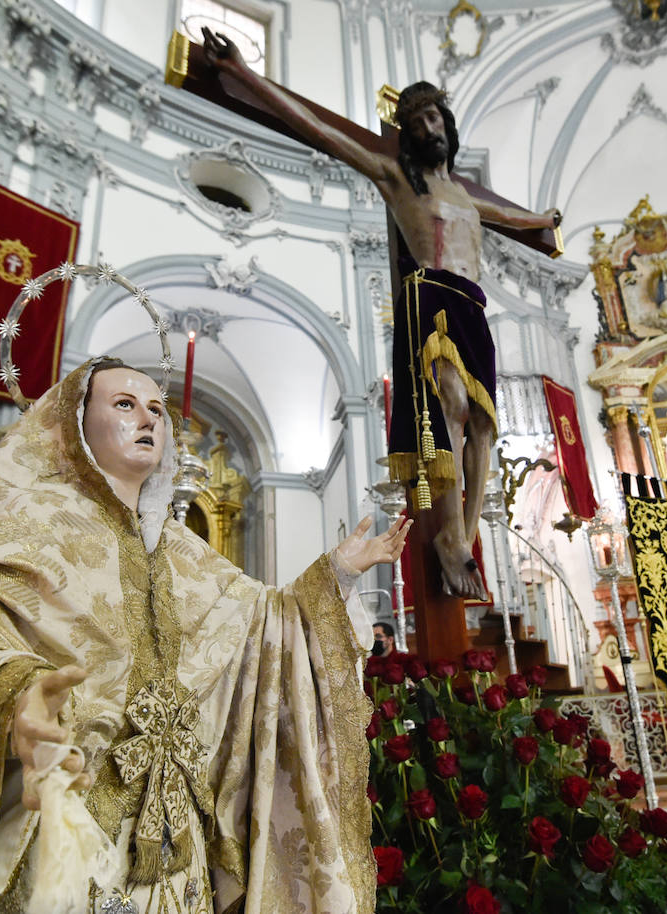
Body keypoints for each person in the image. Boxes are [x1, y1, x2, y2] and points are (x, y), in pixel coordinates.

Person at [0, 359, 410, 914]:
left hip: (174, 841)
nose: (149, 417)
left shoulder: (178, 547)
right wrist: (8, 695)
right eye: (124, 404)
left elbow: (263, 629)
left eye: (156, 409)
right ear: (75, 427)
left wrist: (336, 576)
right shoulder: (31, 520)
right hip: (61, 827)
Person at [201, 29, 558, 599]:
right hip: (433, 297)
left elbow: (516, 220)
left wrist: (543, 218)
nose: (427, 129)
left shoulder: (468, 197)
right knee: (455, 408)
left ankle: (460, 535)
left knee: (487, 429)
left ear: (448, 125)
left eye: (434, 119)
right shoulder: (398, 180)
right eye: (416, 124)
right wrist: (245, 74)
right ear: (409, 135)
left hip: (474, 307)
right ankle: (448, 535)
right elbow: (319, 130)